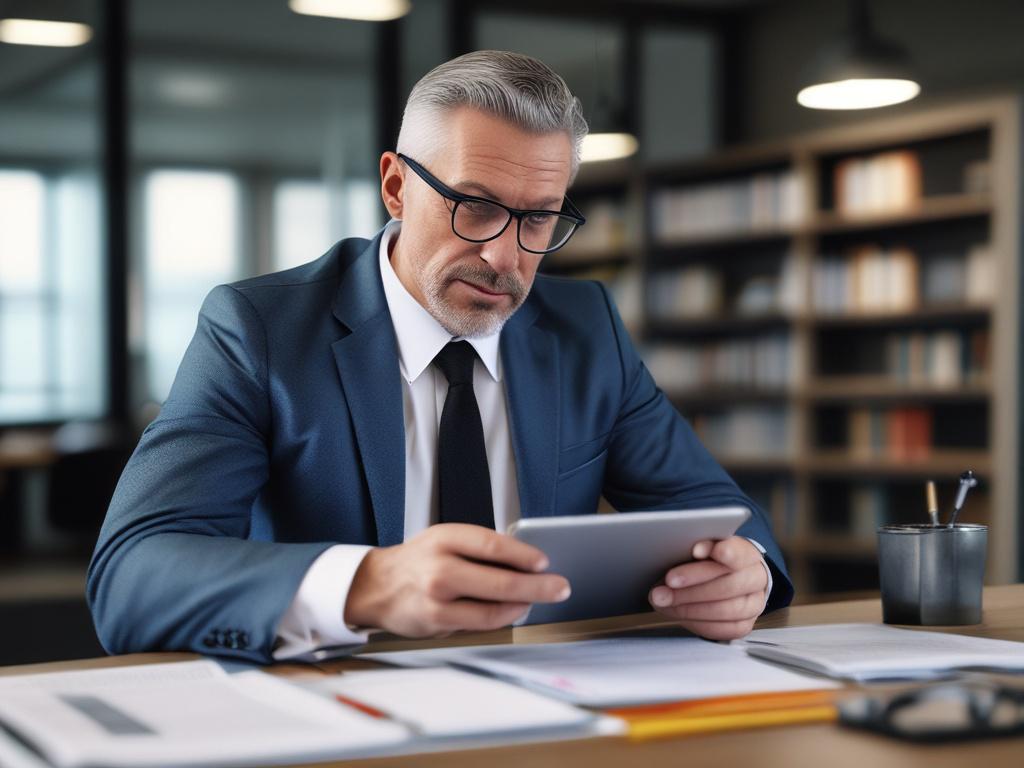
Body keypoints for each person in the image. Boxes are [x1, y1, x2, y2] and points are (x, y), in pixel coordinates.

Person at [88, 50, 793, 664]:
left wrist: (746, 573)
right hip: (337, 710)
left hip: (550, 708)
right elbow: (131, 576)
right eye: (475, 206)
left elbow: (720, 514)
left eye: (539, 217)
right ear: (396, 186)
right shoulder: (260, 330)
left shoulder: (586, 329)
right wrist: (370, 584)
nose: (504, 256)